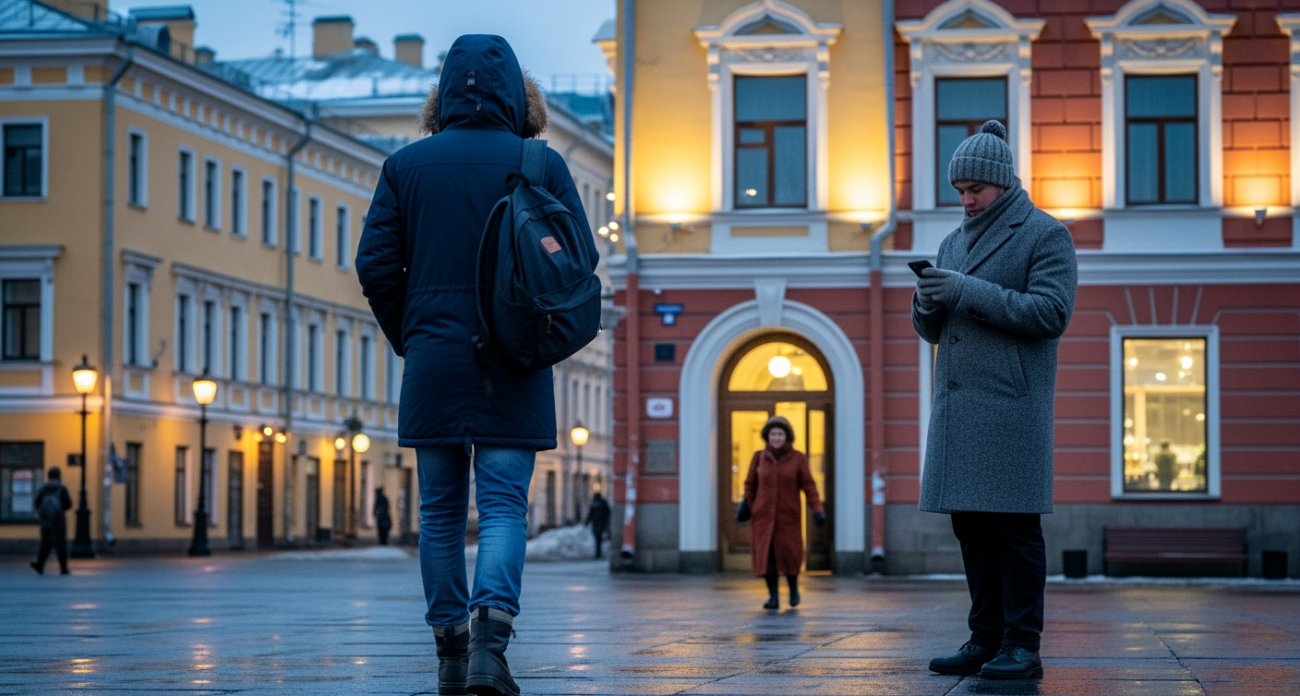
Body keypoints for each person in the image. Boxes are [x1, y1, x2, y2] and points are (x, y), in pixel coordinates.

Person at [356, 34, 596, 696]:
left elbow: (374, 265)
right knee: (502, 509)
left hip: (432, 358)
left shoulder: (404, 166)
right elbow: (578, 264)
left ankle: (450, 652)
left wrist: (415, 331)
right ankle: (492, 646)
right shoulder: (538, 162)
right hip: (515, 359)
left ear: (441, 94)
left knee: (437, 514)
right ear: (519, 96)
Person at [913, 120, 1077, 680]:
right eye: (960, 191)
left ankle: (1021, 644)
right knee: (972, 530)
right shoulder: (952, 241)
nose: (966, 200)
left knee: (1014, 532)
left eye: (975, 190)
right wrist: (928, 299)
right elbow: (933, 332)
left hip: (1011, 411)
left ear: (1002, 183)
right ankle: (984, 638)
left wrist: (962, 289)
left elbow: (1050, 314)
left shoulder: (1046, 234)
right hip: (960, 411)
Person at [742, 415, 825, 610]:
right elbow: (749, 485)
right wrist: (755, 506)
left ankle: (793, 589)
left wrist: (817, 510)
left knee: (790, 555)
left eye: (780, 434)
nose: (776, 438)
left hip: (788, 517)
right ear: (767, 436)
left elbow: (809, 486)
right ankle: (773, 597)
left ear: (787, 436)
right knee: (767, 557)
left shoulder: (798, 458)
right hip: (763, 518)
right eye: (773, 434)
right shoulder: (759, 457)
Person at [31, 467, 73, 576]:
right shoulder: (62, 488)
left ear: (48, 476)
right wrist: (60, 510)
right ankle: (63, 568)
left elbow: (36, 502)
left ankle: (40, 565)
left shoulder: (43, 488)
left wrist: (43, 512)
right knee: (61, 544)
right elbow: (69, 504)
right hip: (59, 521)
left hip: (46, 521)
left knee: (45, 543)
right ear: (59, 476)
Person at [584, 491, 610, 559]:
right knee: (598, 538)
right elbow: (608, 513)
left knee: (597, 538)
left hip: (597, 523)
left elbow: (590, 513)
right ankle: (598, 552)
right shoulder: (602, 503)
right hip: (601, 523)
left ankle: (598, 552)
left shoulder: (595, 503)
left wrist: (587, 521)